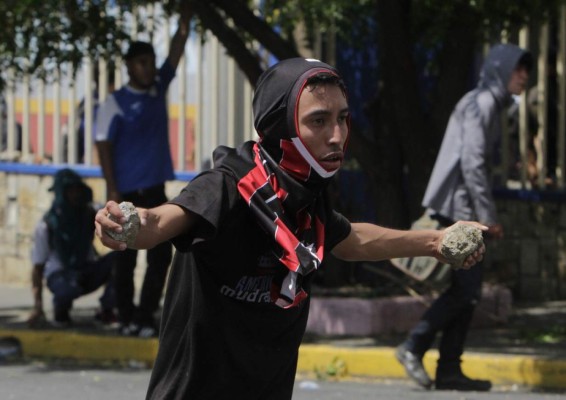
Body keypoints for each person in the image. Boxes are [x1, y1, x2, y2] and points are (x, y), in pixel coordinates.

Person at [95, 57, 486, 399]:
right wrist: (125, 225)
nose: (337, 135)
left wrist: (437, 242)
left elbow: (352, 240)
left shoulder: (306, 200)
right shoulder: (228, 187)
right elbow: (161, 221)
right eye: (319, 121)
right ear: (280, 126)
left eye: (343, 119)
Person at [395, 43, 532, 391]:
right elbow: (472, 164)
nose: (524, 76)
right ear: (501, 68)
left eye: (526, 70)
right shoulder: (482, 103)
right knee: (465, 292)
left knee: (465, 292)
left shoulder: (484, 102)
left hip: (463, 209)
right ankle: (414, 346)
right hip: (459, 212)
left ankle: (449, 369)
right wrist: (487, 218)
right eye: (518, 68)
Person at [94, 4, 192, 337]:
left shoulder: (157, 88)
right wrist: (112, 190)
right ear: (129, 66)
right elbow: (103, 146)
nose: (148, 68)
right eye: (141, 62)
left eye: (150, 62)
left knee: (160, 254)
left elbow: (176, 54)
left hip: (153, 190)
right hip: (125, 192)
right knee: (125, 257)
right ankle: (125, 315)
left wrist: (187, 18)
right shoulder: (115, 102)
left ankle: (146, 316)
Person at [29, 168, 116, 327]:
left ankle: (107, 309)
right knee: (67, 288)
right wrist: (37, 306)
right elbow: (38, 268)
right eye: (69, 191)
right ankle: (61, 313)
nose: (75, 196)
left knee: (120, 260)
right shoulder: (46, 225)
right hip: (60, 275)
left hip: (86, 270)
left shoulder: (89, 214)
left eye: (77, 190)